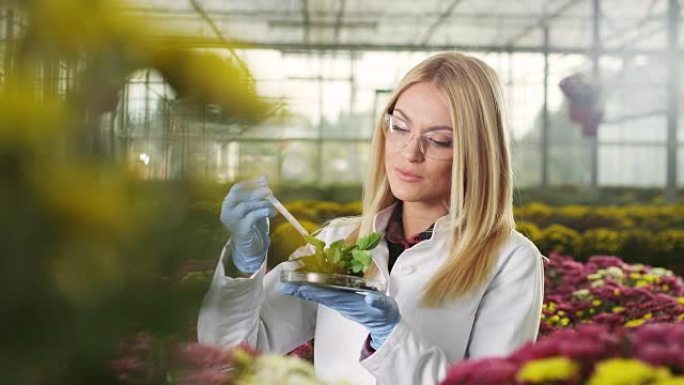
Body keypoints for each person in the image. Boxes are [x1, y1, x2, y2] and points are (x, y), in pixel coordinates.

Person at [197, 52, 544, 385]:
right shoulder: (337, 242)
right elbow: (231, 355)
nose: (410, 152)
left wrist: (390, 336)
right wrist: (242, 267)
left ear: (477, 152)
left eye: (439, 141)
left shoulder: (510, 260)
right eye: (400, 126)